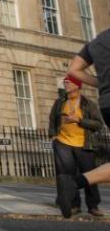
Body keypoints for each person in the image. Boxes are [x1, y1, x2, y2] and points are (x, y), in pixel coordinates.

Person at [61, 28, 110, 219]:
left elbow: (73, 69)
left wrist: (102, 83)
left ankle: (75, 183)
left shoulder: (97, 41)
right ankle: (76, 182)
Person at [50, 75, 104, 218]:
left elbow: (98, 124)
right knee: (67, 175)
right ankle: (74, 205)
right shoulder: (60, 102)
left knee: (89, 175)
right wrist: (54, 136)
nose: (65, 84)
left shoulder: (88, 104)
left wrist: (79, 120)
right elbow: (52, 119)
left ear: (77, 85)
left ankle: (93, 206)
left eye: (68, 82)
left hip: (84, 145)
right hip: (63, 143)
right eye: (65, 82)